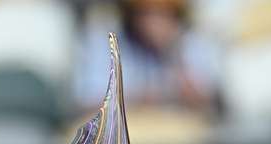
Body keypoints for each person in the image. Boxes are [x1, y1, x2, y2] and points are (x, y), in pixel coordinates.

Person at [73, 0, 221, 114]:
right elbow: (86, 103)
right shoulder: (105, 42)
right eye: (146, 12)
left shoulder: (191, 42)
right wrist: (142, 98)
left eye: (164, 13)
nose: (154, 22)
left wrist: (173, 51)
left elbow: (207, 103)